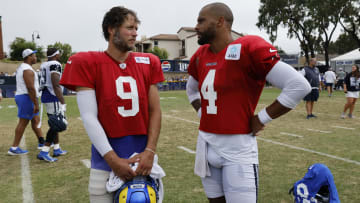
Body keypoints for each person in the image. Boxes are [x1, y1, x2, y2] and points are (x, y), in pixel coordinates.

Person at [186, 3, 311, 203]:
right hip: (206, 144)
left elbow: (298, 85)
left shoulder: (248, 47)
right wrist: (204, 113)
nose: (196, 26)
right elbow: (191, 89)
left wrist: (262, 118)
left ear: (220, 22)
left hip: (237, 147)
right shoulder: (200, 56)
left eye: (201, 20)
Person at [59, 6, 164, 202]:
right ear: (111, 29)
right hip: (105, 160)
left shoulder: (148, 62)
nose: (135, 33)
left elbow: (155, 111)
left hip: (143, 159)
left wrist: (150, 151)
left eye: (136, 28)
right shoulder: (86, 61)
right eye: (130, 28)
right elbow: (89, 117)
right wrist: (113, 160)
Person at [8, 49, 45, 155]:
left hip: (27, 96)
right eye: (34, 56)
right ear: (29, 57)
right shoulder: (27, 70)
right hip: (27, 97)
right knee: (23, 123)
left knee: (35, 120)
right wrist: (35, 103)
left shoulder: (24, 67)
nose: (36, 58)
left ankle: (41, 141)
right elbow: (30, 88)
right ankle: (14, 148)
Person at [37, 48, 67, 162]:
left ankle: (57, 148)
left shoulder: (44, 64)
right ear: (56, 54)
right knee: (56, 124)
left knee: (55, 123)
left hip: (46, 95)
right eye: (59, 53)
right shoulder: (55, 64)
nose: (60, 55)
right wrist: (62, 101)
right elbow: (56, 83)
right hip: (53, 96)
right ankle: (44, 151)